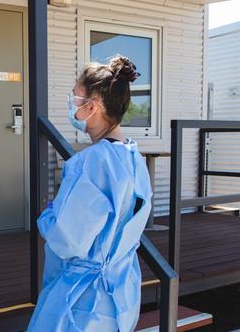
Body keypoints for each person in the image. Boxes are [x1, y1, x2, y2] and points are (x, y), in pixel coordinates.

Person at [27, 56, 152, 332]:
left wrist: (48, 216)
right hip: (121, 292)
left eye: (75, 99)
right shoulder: (134, 158)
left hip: (85, 301)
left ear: (92, 107)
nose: (72, 106)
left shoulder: (92, 163)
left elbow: (68, 238)